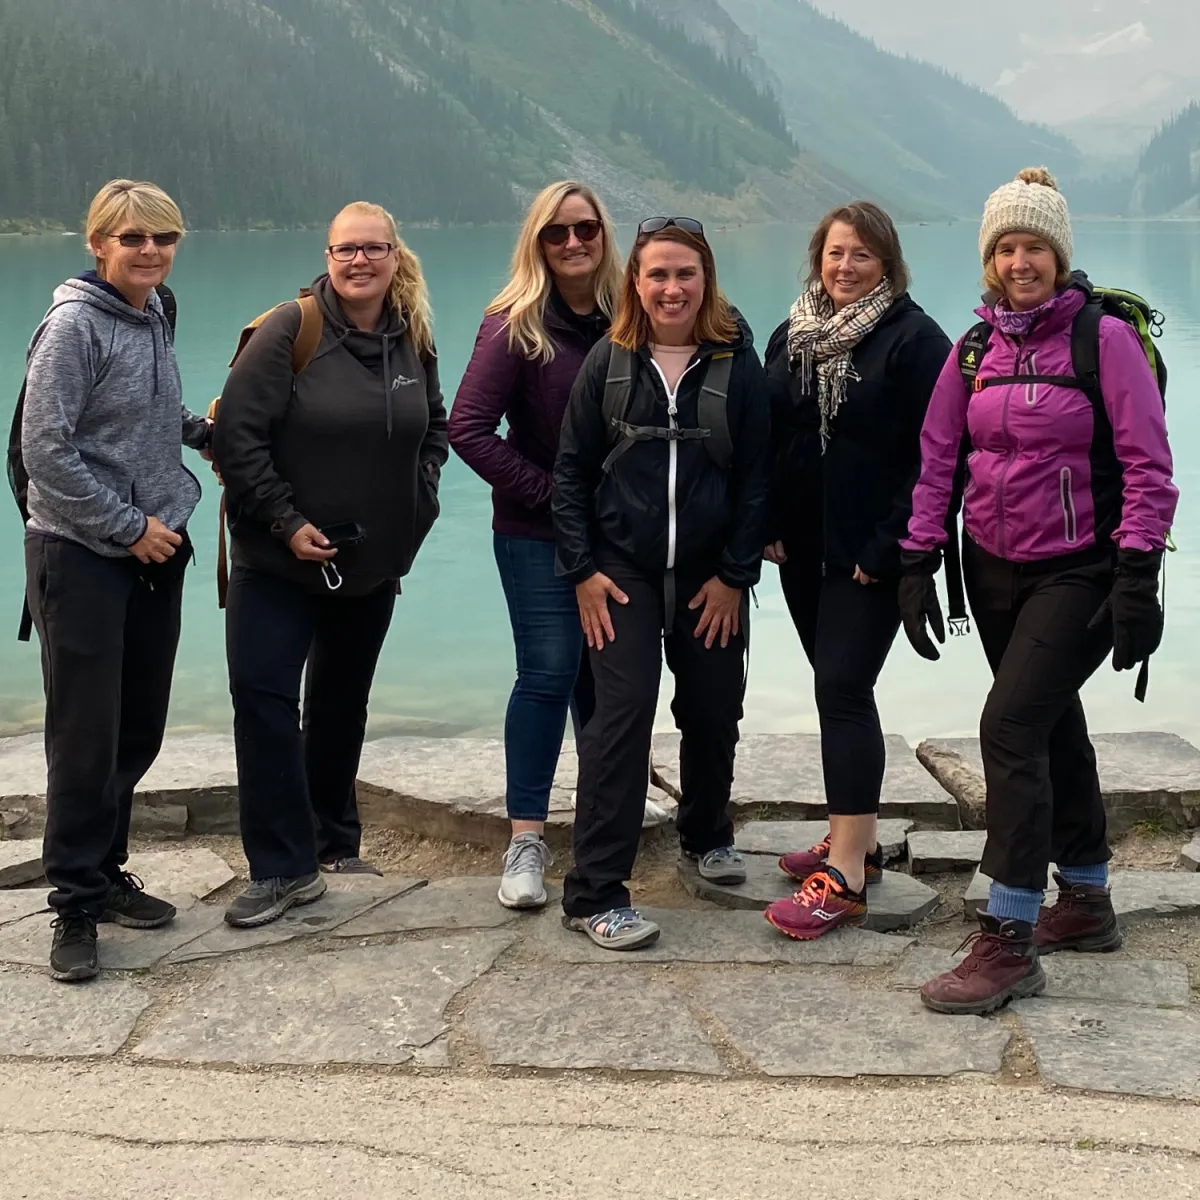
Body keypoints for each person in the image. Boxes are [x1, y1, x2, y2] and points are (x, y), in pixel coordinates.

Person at [898, 168, 1177, 1014]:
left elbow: (1149, 465)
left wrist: (1136, 575)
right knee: (1050, 721)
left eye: (1035, 247)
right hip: (990, 566)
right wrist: (917, 558)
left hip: (1080, 568)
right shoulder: (973, 350)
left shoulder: (1103, 340)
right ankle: (1086, 899)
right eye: (1006, 248)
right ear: (990, 259)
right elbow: (938, 458)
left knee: (1009, 725)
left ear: (1059, 255)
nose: (1021, 262)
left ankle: (1009, 937)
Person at [212, 201, 448, 927]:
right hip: (275, 560)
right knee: (264, 700)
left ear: (395, 256)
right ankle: (280, 868)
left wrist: (419, 501)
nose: (358, 261)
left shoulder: (413, 337)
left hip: (369, 564)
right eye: (345, 249)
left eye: (373, 248)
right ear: (328, 256)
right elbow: (237, 437)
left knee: (341, 707)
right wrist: (287, 523)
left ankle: (334, 846)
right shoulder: (291, 328)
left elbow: (435, 427)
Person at [553, 217, 770, 950]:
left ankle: (706, 832)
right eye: (658, 275)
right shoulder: (609, 361)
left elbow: (757, 478)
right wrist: (582, 571)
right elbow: (571, 472)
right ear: (635, 282)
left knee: (713, 707)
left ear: (706, 279)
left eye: (685, 274)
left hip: (712, 569)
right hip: (622, 570)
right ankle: (595, 893)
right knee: (621, 717)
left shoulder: (737, 362)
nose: (672, 288)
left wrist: (735, 576)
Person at [19, 179, 209, 982]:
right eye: (132, 238)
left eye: (163, 237)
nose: (150, 251)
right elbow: (46, 452)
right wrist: (129, 527)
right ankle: (72, 902)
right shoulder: (73, 327)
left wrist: (208, 433)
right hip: (82, 553)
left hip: (153, 549)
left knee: (136, 726)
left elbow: (143, 417)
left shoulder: (156, 308)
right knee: (84, 736)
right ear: (97, 244)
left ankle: (104, 873)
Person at [759, 203, 951, 940]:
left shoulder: (915, 340)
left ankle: (845, 877)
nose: (846, 267)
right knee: (836, 689)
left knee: (841, 688)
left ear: (888, 264)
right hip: (803, 552)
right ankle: (856, 838)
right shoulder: (794, 333)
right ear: (819, 257)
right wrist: (767, 523)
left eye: (862, 255)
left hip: (870, 558)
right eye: (836, 253)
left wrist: (889, 548)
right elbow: (771, 433)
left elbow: (940, 455)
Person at [449, 182, 621, 909]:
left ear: (604, 235)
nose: (573, 242)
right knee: (548, 675)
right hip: (536, 535)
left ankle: (603, 816)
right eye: (557, 232)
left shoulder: (631, 314)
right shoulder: (514, 322)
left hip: (620, 537)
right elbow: (467, 428)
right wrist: (552, 495)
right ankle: (526, 840)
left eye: (585, 229)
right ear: (538, 243)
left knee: (605, 682)